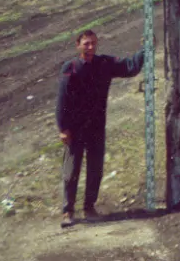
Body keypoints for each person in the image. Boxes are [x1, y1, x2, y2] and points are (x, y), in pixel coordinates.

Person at [55, 29, 144, 227]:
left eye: (93, 43)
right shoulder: (70, 68)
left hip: (96, 127)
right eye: (86, 43)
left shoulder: (104, 64)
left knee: (95, 169)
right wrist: (63, 127)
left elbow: (130, 67)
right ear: (78, 45)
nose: (90, 47)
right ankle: (68, 211)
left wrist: (145, 51)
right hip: (75, 129)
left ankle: (89, 208)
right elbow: (62, 100)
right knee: (71, 171)